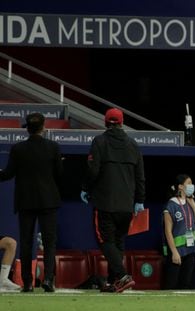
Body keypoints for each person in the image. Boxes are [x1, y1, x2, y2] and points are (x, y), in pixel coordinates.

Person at [80, 107, 145, 293]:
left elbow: (93, 170)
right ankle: (113, 281)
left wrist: (85, 188)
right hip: (126, 205)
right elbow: (140, 176)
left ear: (106, 122)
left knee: (105, 241)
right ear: (122, 123)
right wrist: (139, 200)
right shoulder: (133, 145)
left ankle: (123, 276)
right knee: (118, 243)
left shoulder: (99, 141)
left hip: (105, 203)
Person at [0, 112, 63, 293]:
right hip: (48, 200)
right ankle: (49, 280)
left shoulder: (18, 149)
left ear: (27, 129)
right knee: (50, 243)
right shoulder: (53, 147)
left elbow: (8, 174)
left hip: (26, 201)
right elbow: (60, 174)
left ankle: (27, 283)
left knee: (26, 242)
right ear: (43, 127)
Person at [163, 174, 195, 289]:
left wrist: (193, 204)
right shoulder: (171, 206)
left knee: (186, 284)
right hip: (176, 252)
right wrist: (174, 252)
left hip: (190, 250)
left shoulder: (190, 203)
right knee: (171, 284)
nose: (192, 186)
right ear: (180, 187)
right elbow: (168, 232)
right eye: (189, 183)